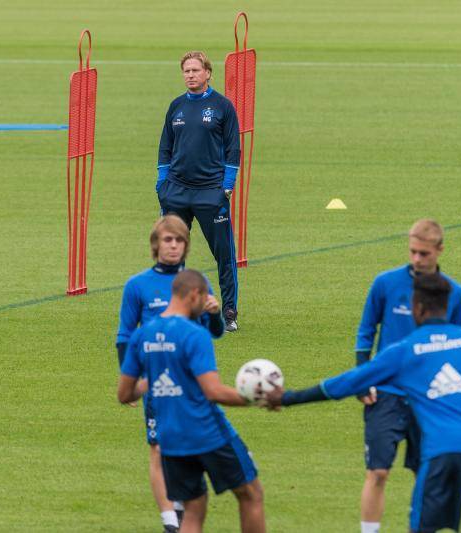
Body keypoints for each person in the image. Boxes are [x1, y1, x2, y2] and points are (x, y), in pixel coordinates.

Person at [266, 273, 461, 533]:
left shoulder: (404, 351)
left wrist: (287, 398)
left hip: (444, 451)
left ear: (417, 309)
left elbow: (347, 383)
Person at [118, 270, 265, 533]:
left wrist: (152, 379)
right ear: (194, 295)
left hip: (171, 437)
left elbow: (124, 394)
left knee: (193, 510)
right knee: (251, 494)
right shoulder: (195, 334)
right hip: (206, 432)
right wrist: (255, 399)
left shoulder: (143, 336)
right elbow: (214, 392)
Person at [354, 219, 461, 533]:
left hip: (430, 399)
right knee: (377, 473)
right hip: (386, 394)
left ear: (440, 250)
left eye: (424, 254)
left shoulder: (454, 294)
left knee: (428, 474)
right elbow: (365, 333)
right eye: (413, 252)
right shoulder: (385, 284)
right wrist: (364, 378)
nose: (417, 259)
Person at [116, 215, 224, 532]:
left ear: (186, 245)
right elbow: (125, 335)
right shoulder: (138, 286)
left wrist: (215, 315)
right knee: (159, 446)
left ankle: (181, 505)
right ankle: (169, 520)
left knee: (191, 444)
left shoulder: (198, 281)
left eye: (178, 241)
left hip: (194, 380)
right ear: (155, 245)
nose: (173, 246)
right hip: (157, 378)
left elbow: (214, 332)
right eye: (167, 240)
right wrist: (130, 379)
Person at [156, 51, 242, 332]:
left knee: (224, 255)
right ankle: (173, 309)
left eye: (195, 70)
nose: (190, 75)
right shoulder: (176, 106)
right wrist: (162, 185)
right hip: (177, 191)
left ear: (207, 73)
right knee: (170, 253)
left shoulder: (222, 107)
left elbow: (233, 149)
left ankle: (228, 312)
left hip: (210, 193)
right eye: (186, 71)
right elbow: (165, 147)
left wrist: (226, 188)